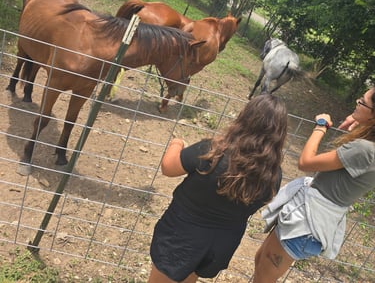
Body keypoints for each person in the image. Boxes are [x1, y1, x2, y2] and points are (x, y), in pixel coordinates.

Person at [147, 94, 288, 283]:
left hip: (181, 235)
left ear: (245, 118)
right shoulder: (272, 175)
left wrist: (176, 143)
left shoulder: (212, 152)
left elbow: (168, 167)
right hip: (219, 244)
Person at [253, 86, 375, 282]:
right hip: (309, 221)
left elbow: (305, 162)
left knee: (263, 277)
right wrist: (361, 121)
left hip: (306, 223)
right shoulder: (369, 146)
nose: (356, 102)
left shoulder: (363, 149)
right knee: (261, 262)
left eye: (362, 102)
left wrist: (320, 126)